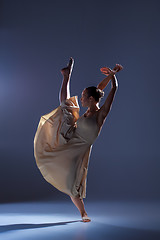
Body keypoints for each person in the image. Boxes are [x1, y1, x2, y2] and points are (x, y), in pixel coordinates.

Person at [34, 58, 123, 222]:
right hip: (70, 136)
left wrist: (114, 76)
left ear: (91, 99)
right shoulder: (89, 106)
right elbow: (98, 90)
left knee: (72, 184)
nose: (81, 99)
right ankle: (66, 76)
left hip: (80, 148)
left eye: (83, 97)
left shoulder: (101, 114)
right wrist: (110, 75)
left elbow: (113, 88)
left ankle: (83, 213)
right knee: (66, 106)